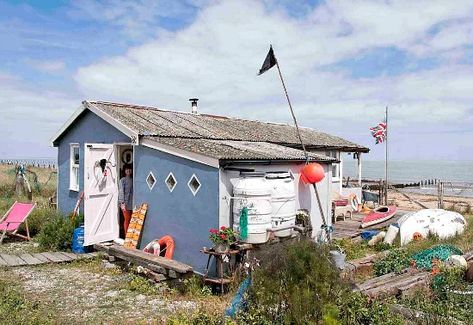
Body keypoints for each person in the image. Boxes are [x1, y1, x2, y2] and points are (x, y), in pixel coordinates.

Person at [118, 164, 133, 236]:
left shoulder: (133, 180)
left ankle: (130, 235)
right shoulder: (122, 180)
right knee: (127, 219)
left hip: (132, 203)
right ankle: (126, 235)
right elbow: (121, 191)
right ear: (124, 171)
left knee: (131, 220)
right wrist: (122, 203)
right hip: (125, 203)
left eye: (129, 169)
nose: (128, 171)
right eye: (127, 169)